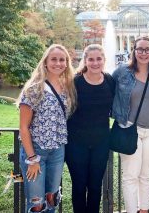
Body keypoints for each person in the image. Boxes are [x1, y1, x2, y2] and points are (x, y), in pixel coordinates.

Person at [18, 44, 76, 212]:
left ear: (66, 63)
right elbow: (23, 127)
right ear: (45, 62)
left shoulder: (67, 88)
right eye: (54, 59)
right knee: (37, 204)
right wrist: (32, 159)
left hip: (57, 151)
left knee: (52, 198)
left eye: (62, 60)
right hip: (36, 151)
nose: (58, 63)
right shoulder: (34, 88)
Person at [111, 36, 149, 213]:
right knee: (130, 176)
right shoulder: (122, 72)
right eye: (140, 49)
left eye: (148, 49)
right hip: (129, 129)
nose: (144, 53)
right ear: (134, 50)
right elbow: (105, 87)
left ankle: (144, 210)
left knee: (146, 176)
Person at [65, 44, 115, 213]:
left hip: (101, 143)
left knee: (95, 187)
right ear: (85, 61)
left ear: (104, 60)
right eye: (91, 59)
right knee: (79, 186)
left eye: (99, 59)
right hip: (76, 144)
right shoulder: (75, 81)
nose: (95, 63)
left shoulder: (109, 80)